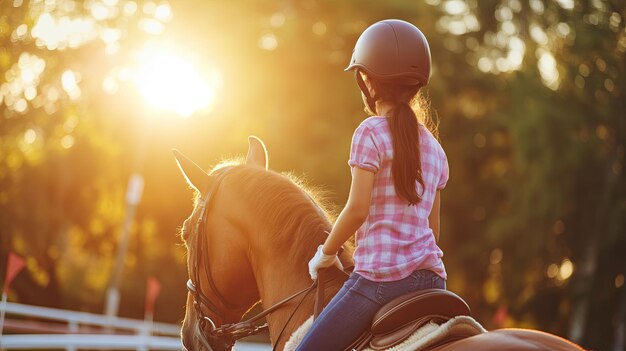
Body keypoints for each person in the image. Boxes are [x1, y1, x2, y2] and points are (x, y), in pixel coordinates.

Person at [295, 19, 449, 351]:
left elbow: (357, 210)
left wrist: (326, 253)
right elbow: (433, 231)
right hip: (434, 281)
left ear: (367, 81)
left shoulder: (370, 132)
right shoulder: (437, 150)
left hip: (381, 280)